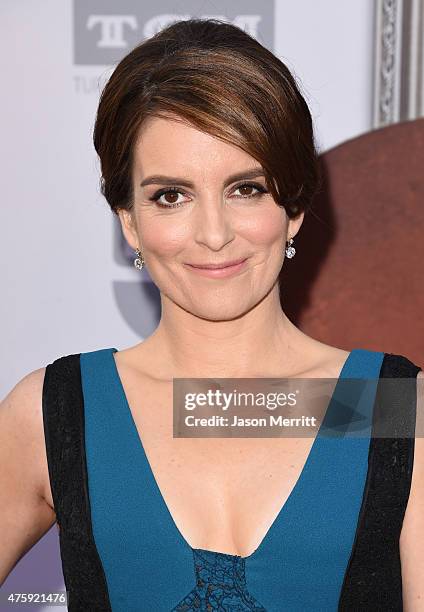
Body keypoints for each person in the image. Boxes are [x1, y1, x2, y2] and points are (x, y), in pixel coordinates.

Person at [1, 17, 423, 612]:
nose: (214, 234)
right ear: (130, 221)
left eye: (245, 188)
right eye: (171, 195)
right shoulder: (59, 410)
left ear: (294, 206)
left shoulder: (389, 405)